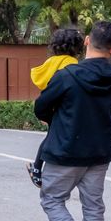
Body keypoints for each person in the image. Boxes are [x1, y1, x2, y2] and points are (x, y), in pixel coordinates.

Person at [34, 21, 111, 221]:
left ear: (87, 41)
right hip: (99, 152)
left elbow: (41, 107)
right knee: (93, 207)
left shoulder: (67, 76)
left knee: (51, 199)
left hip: (65, 151)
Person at [25, 28, 84, 188]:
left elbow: (43, 82)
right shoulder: (72, 64)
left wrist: (46, 116)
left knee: (50, 136)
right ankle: (37, 169)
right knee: (53, 138)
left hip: (51, 104)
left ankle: (37, 168)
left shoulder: (51, 63)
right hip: (66, 108)